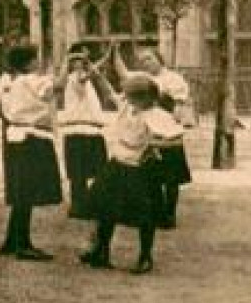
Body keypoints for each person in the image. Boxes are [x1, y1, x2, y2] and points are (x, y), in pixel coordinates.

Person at [79, 69, 179, 273]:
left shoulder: (156, 115)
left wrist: (153, 145)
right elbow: (109, 93)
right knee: (105, 209)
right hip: (117, 165)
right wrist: (97, 74)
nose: (129, 99)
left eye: (134, 97)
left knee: (145, 215)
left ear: (148, 98)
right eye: (129, 96)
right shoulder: (127, 107)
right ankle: (102, 251)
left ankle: (145, 257)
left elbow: (175, 139)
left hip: (139, 169)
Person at [0, 44, 63, 261]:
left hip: (14, 135)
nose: (37, 62)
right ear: (29, 62)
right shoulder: (32, 80)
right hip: (32, 137)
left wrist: (8, 117)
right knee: (27, 191)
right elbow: (57, 86)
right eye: (35, 59)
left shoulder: (7, 81)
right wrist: (67, 63)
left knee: (21, 190)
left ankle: (13, 240)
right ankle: (22, 243)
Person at [136, 48, 194, 229]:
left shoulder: (173, 79)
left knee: (171, 179)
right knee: (151, 178)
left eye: (149, 58)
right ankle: (157, 212)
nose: (146, 63)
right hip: (151, 134)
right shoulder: (143, 80)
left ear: (159, 59)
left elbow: (178, 104)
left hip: (169, 132)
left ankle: (170, 214)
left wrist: (157, 95)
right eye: (142, 60)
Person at [57, 46, 111, 219]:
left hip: (90, 130)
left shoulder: (84, 79)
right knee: (79, 175)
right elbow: (90, 73)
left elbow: (92, 73)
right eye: (79, 58)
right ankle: (80, 207)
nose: (83, 61)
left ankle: (87, 205)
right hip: (79, 130)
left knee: (94, 172)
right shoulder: (75, 78)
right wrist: (106, 57)